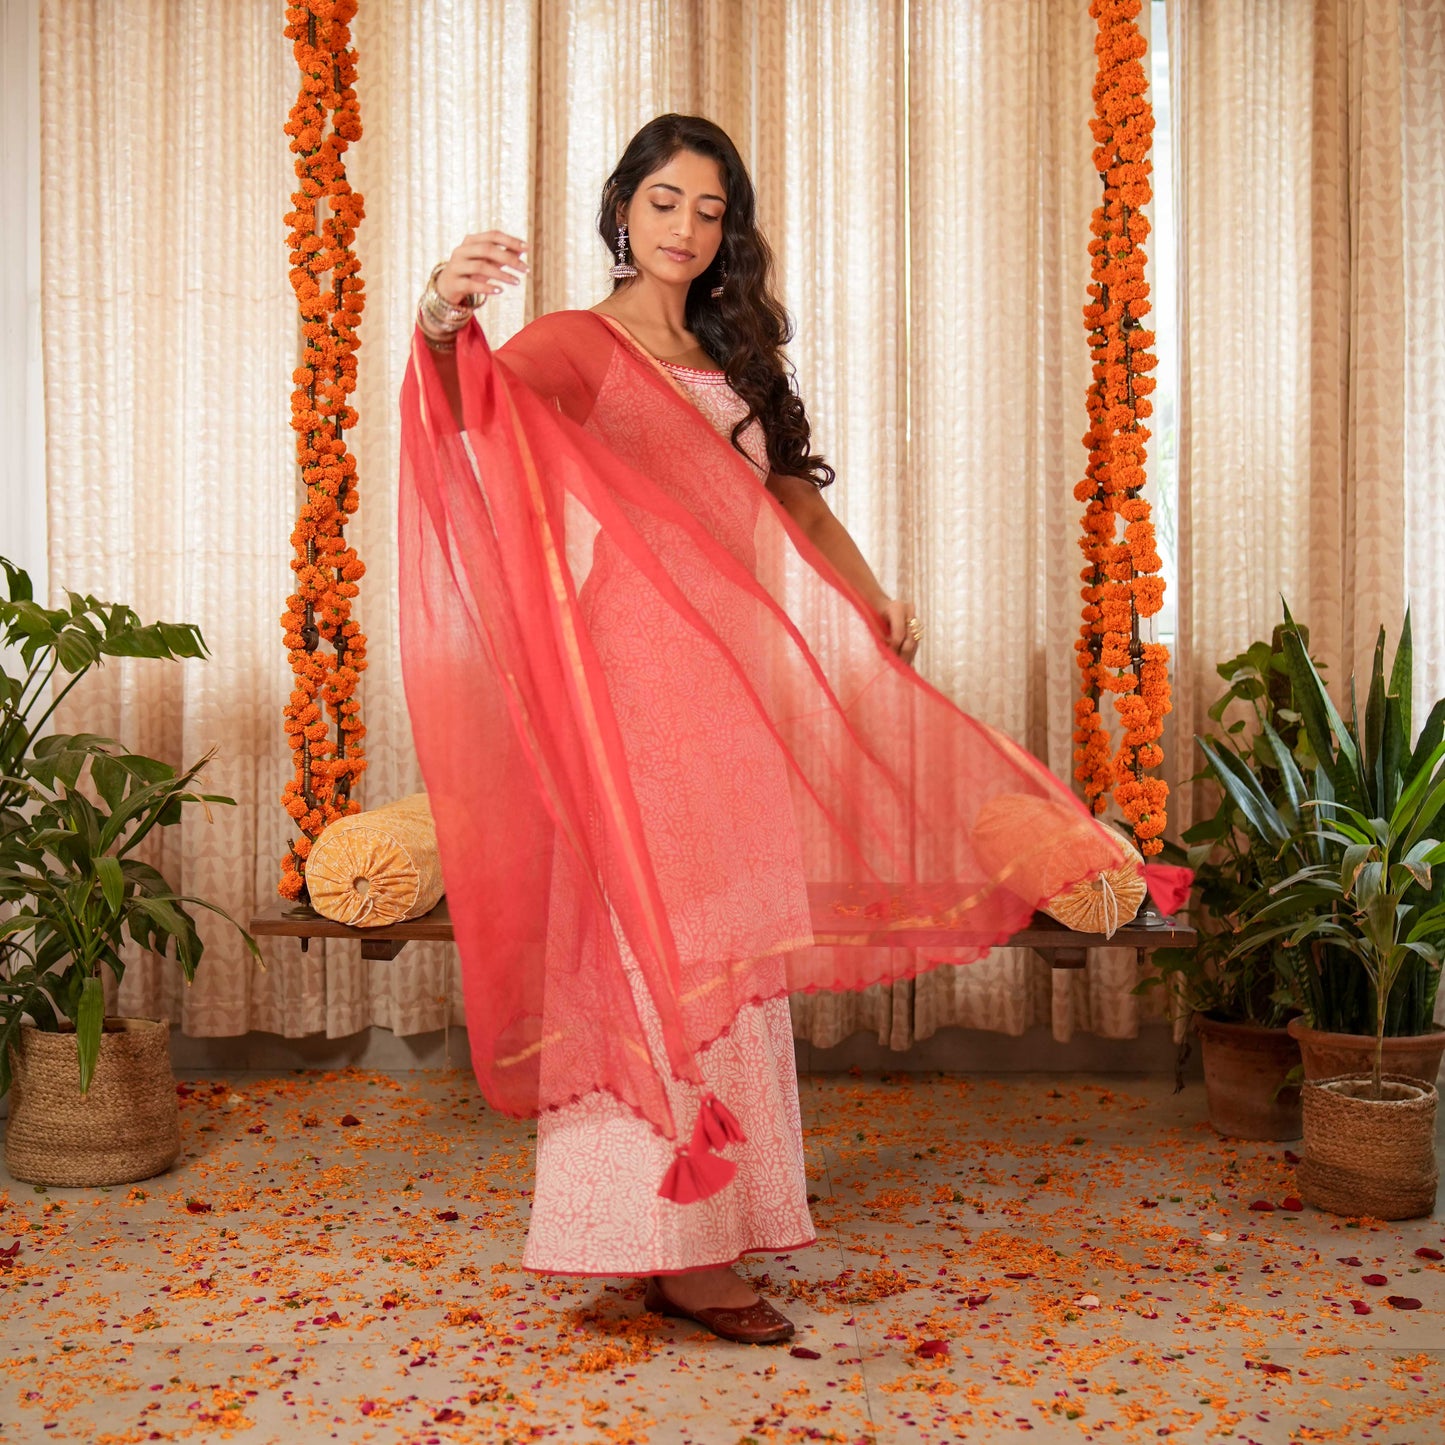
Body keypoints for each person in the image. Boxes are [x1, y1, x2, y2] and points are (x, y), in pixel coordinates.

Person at [400, 114, 1122, 1346]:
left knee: (734, 936)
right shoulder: (575, 344)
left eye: (710, 210)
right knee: (650, 939)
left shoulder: (737, 352)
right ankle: (666, 1242)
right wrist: (436, 315)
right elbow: (477, 416)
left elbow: (790, 496)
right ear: (621, 206)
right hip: (629, 673)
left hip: (732, 677)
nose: (686, 228)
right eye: (665, 201)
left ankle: (709, 1222)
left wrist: (868, 590)